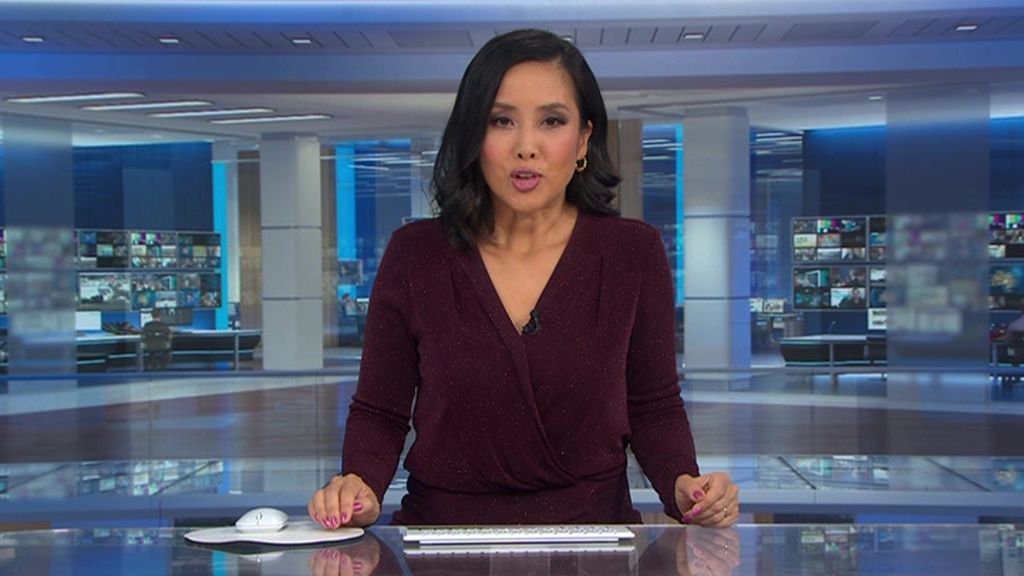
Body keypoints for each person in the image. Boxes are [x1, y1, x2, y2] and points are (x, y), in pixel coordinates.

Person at [309, 28, 739, 528]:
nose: (526, 147)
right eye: (502, 121)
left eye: (552, 121)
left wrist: (683, 483)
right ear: (474, 135)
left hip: (593, 541)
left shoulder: (632, 253)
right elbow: (380, 410)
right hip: (442, 539)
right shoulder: (415, 255)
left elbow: (653, 406)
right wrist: (359, 482)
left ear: (583, 139)